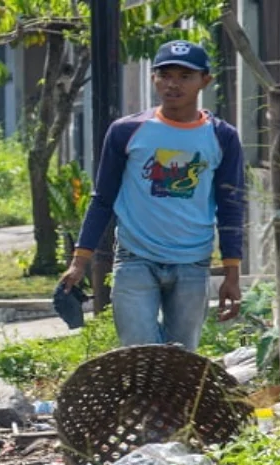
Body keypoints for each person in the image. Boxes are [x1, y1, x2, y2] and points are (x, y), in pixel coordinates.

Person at [60, 39, 245, 352]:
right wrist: (80, 262)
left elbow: (230, 204)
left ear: (205, 80)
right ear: (153, 78)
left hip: (192, 262)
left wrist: (231, 273)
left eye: (185, 76)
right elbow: (102, 198)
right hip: (136, 258)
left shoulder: (222, 136)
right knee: (139, 353)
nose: (173, 84)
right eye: (165, 74)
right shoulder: (125, 131)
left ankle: (175, 404)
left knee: (182, 358)